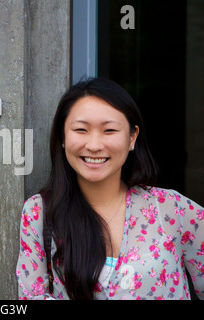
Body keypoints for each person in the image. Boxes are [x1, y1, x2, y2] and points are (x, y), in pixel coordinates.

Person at [16, 77, 204, 300]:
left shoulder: (172, 208)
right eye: (81, 130)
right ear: (63, 137)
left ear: (132, 137)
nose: (94, 145)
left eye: (109, 131)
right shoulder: (41, 212)